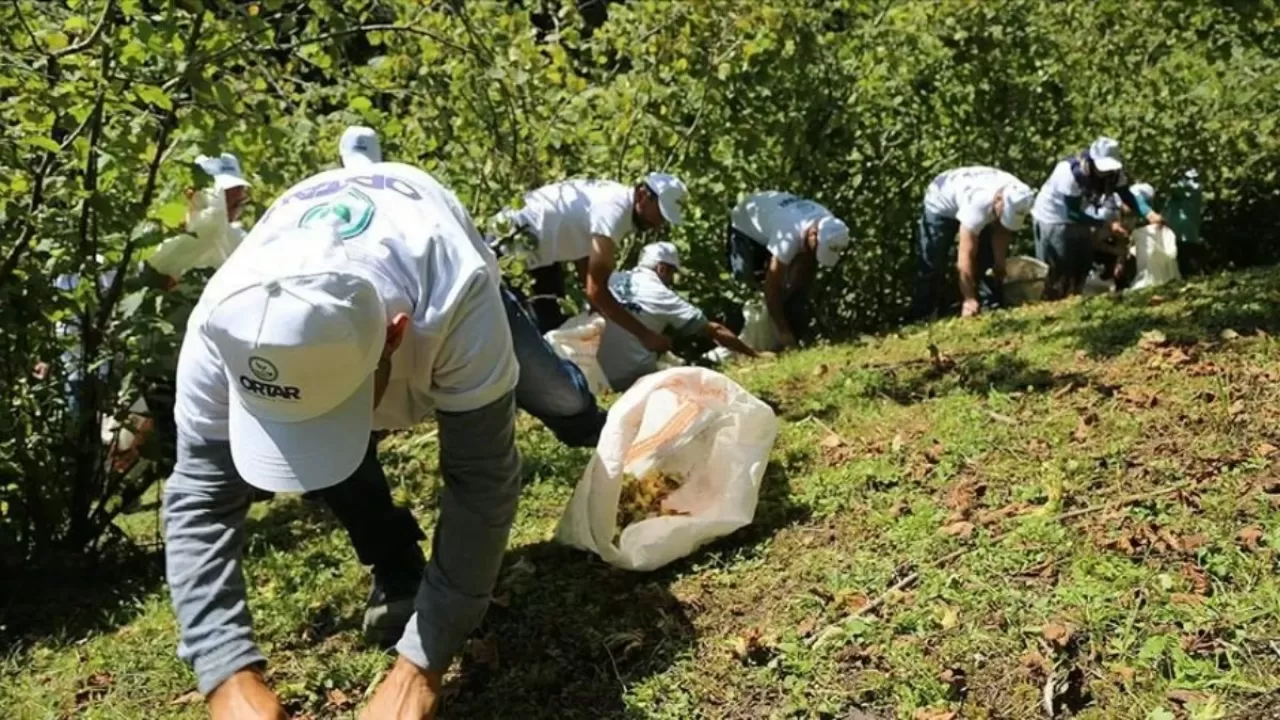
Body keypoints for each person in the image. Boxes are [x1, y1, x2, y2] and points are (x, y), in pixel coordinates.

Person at [163, 161, 523, 720]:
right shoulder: (219, 328)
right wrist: (225, 673)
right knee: (336, 465)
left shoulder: (454, 295)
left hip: (437, 249)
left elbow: (482, 479)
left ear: (394, 336)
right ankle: (397, 565)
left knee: (555, 394)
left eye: (332, 409)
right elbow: (200, 498)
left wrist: (420, 668)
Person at [492, 173, 688, 347]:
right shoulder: (614, 211)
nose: (657, 225)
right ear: (643, 195)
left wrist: (596, 306)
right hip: (508, 245)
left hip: (539, 254)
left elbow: (585, 252)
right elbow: (596, 290)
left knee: (552, 329)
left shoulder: (616, 201)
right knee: (518, 334)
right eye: (660, 214)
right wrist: (645, 336)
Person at [597, 242, 758, 391]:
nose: (671, 280)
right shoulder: (661, 294)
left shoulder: (610, 280)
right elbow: (715, 330)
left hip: (599, 374)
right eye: (672, 273)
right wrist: (752, 354)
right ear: (662, 269)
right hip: (631, 378)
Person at [1031, 137, 1165, 299]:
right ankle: (1051, 302)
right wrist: (1107, 224)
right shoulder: (1069, 173)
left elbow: (1127, 195)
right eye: (1103, 167)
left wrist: (1149, 213)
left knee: (1082, 262)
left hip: (1084, 215)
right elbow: (1072, 213)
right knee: (1059, 267)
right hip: (1053, 217)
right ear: (1092, 160)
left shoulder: (1115, 175)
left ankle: (1074, 298)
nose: (1106, 172)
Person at [726, 191, 851, 348]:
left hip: (774, 218)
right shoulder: (788, 235)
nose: (814, 255)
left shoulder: (831, 227)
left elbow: (806, 268)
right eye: (816, 250)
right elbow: (772, 287)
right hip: (746, 221)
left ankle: (787, 331)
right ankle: (744, 343)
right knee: (749, 284)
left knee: (793, 289)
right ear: (812, 235)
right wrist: (784, 332)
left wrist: (792, 294)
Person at [911, 167, 1035, 319]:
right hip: (941, 201)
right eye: (1005, 214)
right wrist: (968, 299)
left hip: (971, 199)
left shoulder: (1021, 194)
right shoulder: (978, 203)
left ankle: (990, 306)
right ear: (998, 200)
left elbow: (1002, 231)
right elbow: (965, 255)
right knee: (933, 260)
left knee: (986, 257)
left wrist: (999, 264)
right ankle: (923, 314)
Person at [147, 153, 252, 287]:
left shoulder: (237, 241)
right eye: (223, 197)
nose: (232, 212)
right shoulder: (160, 235)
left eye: (237, 203)